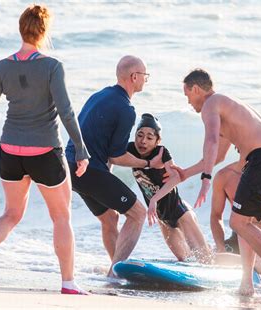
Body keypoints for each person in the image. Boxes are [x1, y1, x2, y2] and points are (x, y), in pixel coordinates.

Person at [0, 5, 90, 295]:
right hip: (44, 152)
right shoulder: (51, 66)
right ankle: (68, 283)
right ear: (44, 32)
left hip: (10, 151)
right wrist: (82, 150)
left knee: (10, 214)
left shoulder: (3, 66)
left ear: (21, 29)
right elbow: (66, 112)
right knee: (61, 217)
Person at [175, 68, 261, 298]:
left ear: (197, 89)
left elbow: (210, 140)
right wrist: (185, 173)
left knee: (238, 222)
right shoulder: (226, 108)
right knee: (245, 222)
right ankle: (247, 284)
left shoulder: (212, 104)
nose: (188, 102)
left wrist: (206, 179)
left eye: (187, 94)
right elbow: (216, 156)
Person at [65, 56, 163, 278]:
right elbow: (116, 155)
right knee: (137, 214)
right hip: (89, 169)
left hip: (70, 167)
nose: (146, 80)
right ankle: (114, 274)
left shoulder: (99, 95)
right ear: (134, 77)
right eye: (145, 75)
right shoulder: (126, 109)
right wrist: (147, 163)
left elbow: (92, 137)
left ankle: (115, 270)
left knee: (110, 217)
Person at [127, 113, 213, 263]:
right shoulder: (130, 150)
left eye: (149, 137)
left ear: (157, 140)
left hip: (180, 212)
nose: (143, 141)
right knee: (183, 259)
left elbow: (176, 177)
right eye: (139, 135)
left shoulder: (161, 152)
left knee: (205, 258)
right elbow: (113, 157)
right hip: (163, 218)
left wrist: (154, 199)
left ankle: (249, 264)